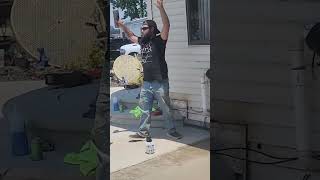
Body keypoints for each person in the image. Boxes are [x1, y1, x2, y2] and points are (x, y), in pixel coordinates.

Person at [117, 0, 183, 139]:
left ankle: (171, 130)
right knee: (144, 109)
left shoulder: (160, 40)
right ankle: (143, 131)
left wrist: (160, 8)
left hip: (160, 81)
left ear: (152, 29)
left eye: (145, 28)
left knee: (166, 109)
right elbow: (130, 36)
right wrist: (123, 26)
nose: (142, 30)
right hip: (146, 82)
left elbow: (167, 25)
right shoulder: (143, 41)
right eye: (141, 28)